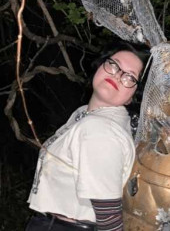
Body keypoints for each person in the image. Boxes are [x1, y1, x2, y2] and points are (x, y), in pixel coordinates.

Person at [25, 41, 149, 231]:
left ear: (134, 94)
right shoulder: (85, 114)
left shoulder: (99, 129)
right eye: (114, 64)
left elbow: (109, 219)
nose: (117, 75)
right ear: (101, 65)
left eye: (129, 77)